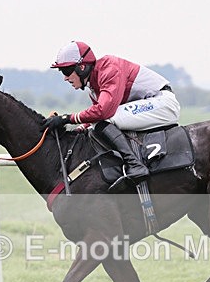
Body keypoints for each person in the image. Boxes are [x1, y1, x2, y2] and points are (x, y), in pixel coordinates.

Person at [43, 41, 180, 189]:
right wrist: (80, 128)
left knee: (107, 119)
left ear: (81, 67)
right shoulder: (93, 86)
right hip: (150, 104)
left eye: (66, 72)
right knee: (100, 122)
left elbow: (103, 111)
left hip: (163, 103)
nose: (65, 78)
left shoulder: (109, 68)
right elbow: (96, 115)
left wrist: (66, 118)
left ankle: (134, 164)